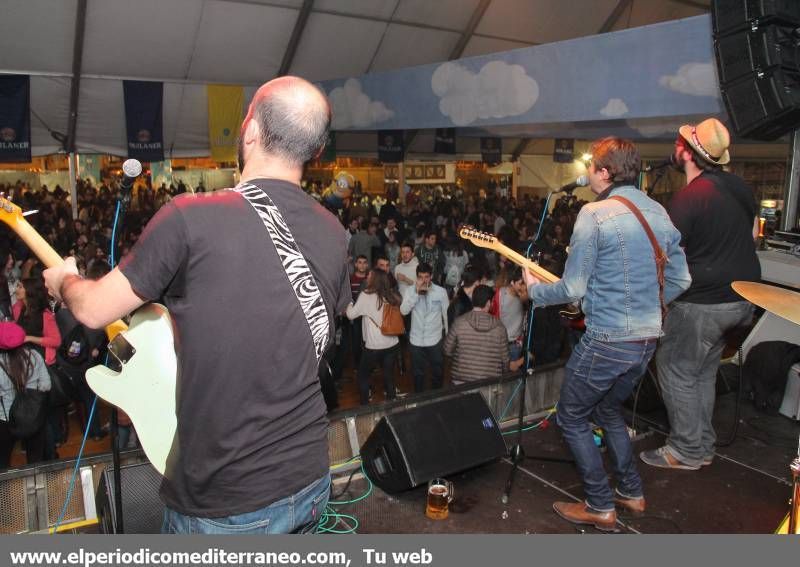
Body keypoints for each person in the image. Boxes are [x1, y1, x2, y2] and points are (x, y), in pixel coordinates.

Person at [43, 76, 351, 534]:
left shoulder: (191, 217)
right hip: (308, 476)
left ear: (250, 132)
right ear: (315, 151)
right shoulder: (334, 232)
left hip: (226, 498)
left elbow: (91, 310)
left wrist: (64, 280)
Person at [523, 137, 690, 531]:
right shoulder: (659, 212)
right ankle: (632, 493)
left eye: (591, 168)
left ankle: (600, 505)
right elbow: (682, 278)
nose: (586, 175)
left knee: (571, 416)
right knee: (608, 410)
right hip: (647, 339)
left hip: (607, 339)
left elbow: (572, 288)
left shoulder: (594, 213)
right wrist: (649, 303)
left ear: (604, 172)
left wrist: (533, 291)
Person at [640, 118, 759, 471]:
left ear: (688, 154)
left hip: (703, 304)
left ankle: (686, 450)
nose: (676, 147)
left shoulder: (689, 199)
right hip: (743, 299)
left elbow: (665, 258)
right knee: (702, 373)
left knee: (675, 368)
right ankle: (703, 445)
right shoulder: (739, 187)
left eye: (681, 143)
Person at [443, 285, 522, 385]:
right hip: (489, 382)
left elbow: (447, 350)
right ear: (488, 303)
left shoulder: (459, 322)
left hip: (460, 381)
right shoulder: (499, 327)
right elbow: (505, 360)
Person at [345, 269, 401, 404]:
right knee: (388, 375)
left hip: (375, 346)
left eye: (369, 275)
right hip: (393, 343)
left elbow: (351, 315)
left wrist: (349, 303)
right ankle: (392, 403)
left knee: (362, 376)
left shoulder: (366, 295)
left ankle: (365, 407)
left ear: (374, 279)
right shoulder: (391, 295)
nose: (367, 277)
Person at [0, 321, 50, 467]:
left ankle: (6, 490)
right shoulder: (34, 356)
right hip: (33, 415)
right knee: (36, 461)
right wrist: (31, 391)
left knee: (3, 462)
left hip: (5, 419)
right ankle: (39, 489)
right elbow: (46, 385)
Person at [400, 262, 449, 392]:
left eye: (426, 277)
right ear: (416, 277)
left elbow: (446, 315)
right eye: (420, 277)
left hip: (435, 339)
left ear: (431, 276)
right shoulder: (410, 291)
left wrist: (448, 337)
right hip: (416, 340)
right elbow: (403, 311)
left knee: (437, 372)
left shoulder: (441, 292)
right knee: (417, 374)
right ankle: (419, 399)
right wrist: (416, 294)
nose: (423, 280)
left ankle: (437, 397)